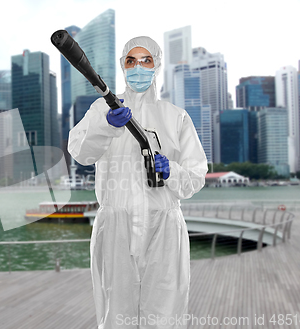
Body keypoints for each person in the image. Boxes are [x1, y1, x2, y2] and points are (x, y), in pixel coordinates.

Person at [68, 36, 208, 329]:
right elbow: (80, 152)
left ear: (156, 65)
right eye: (131, 61)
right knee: (116, 313)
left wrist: (172, 172)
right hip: (115, 227)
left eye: (146, 60)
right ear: (123, 66)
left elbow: (196, 176)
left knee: (166, 312)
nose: (139, 67)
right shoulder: (102, 109)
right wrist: (106, 124)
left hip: (165, 228)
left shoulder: (175, 117)